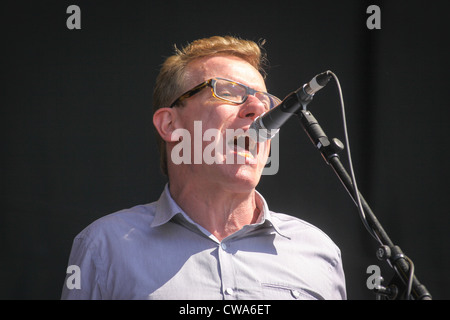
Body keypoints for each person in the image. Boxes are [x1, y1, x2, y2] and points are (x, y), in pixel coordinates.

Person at [61, 35, 346, 300]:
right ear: (170, 124)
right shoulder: (104, 248)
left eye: (264, 101)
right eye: (229, 91)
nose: (257, 109)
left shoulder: (317, 252)